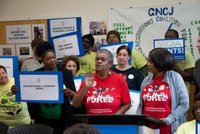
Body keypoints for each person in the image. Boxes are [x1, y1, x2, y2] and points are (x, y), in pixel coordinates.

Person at [137, 48, 189, 134]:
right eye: (148, 61)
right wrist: (138, 121)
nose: (148, 64)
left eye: (151, 62)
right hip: (147, 129)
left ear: (160, 63)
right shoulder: (146, 80)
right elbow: (140, 105)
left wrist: (169, 119)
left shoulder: (175, 77)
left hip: (169, 127)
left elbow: (184, 104)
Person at [28, 42, 76, 134]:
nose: (52, 60)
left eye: (54, 57)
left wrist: (70, 93)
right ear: (42, 60)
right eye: (48, 58)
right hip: (42, 119)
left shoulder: (66, 73)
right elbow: (30, 93)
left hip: (63, 119)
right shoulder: (36, 74)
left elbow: (74, 95)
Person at [73, 49, 131, 114]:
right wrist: (85, 87)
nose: (99, 61)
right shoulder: (88, 79)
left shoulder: (119, 80)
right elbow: (75, 104)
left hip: (113, 122)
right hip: (92, 123)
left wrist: (115, 117)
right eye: (97, 59)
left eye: (103, 60)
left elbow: (127, 104)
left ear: (110, 64)